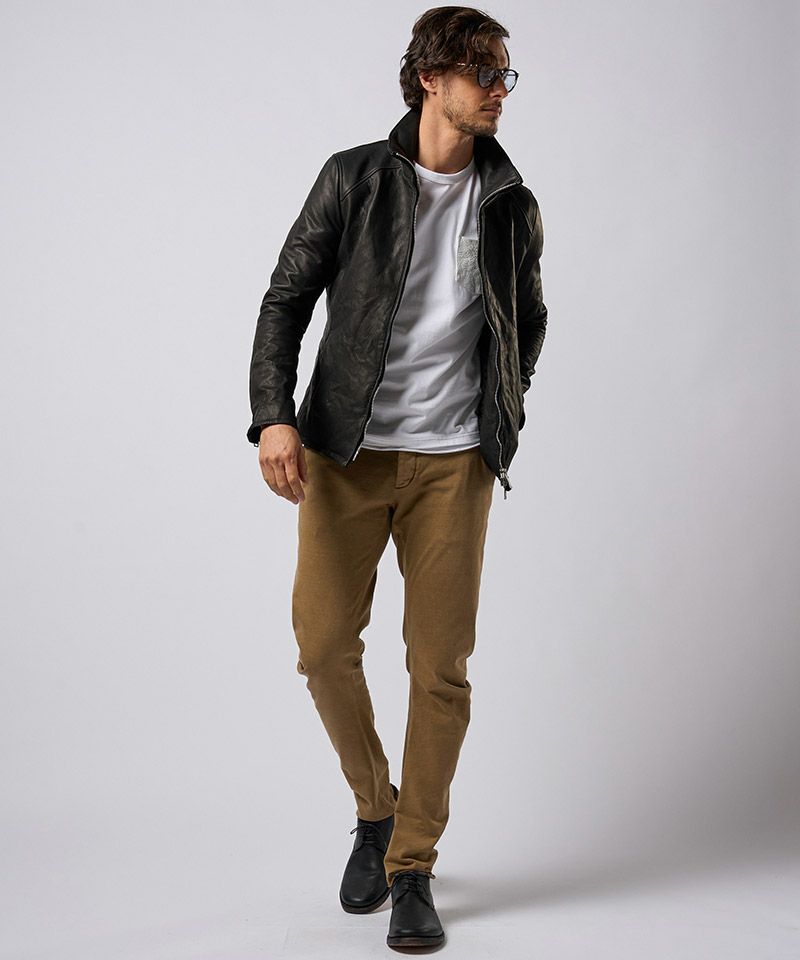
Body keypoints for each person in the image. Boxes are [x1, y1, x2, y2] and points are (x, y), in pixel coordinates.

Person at [246, 6, 548, 949]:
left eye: (504, 75)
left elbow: (529, 317)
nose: (499, 91)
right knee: (322, 646)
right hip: (346, 452)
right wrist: (274, 416)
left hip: (455, 463)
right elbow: (286, 298)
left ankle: (413, 862)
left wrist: (503, 405)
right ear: (430, 78)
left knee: (438, 666)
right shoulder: (355, 178)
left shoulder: (510, 201)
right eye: (483, 73)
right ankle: (375, 810)